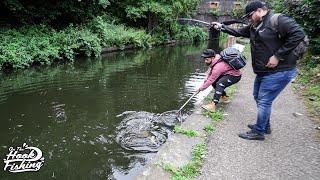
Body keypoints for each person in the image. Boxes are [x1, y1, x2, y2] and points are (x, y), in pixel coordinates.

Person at [211, 1, 306, 140]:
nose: (249, 19)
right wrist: (222, 27)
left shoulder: (278, 20)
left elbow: (298, 34)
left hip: (280, 70)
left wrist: (278, 56)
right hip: (264, 71)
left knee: (264, 100)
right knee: (258, 97)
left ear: (260, 10)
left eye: (250, 15)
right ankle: (264, 126)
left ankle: (259, 131)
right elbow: (238, 32)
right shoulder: (254, 26)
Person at [197, 48, 242, 112]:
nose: (205, 61)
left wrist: (200, 89)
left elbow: (211, 79)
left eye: (207, 59)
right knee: (215, 82)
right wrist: (206, 78)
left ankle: (213, 105)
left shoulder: (218, 67)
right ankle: (225, 97)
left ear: (212, 58)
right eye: (205, 59)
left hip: (234, 76)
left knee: (220, 84)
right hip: (227, 74)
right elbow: (210, 70)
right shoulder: (216, 58)